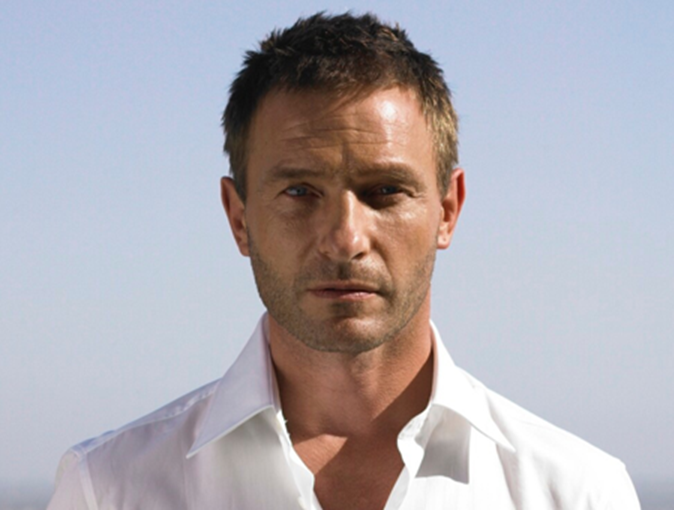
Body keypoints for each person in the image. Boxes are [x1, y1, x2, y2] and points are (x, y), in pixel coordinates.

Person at [47, 12, 640, 510]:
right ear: (239, 218)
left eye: (385, 191)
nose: (345, 238)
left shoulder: (578, 492)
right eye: (299, 191)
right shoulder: (108, 491)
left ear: (447, 210)